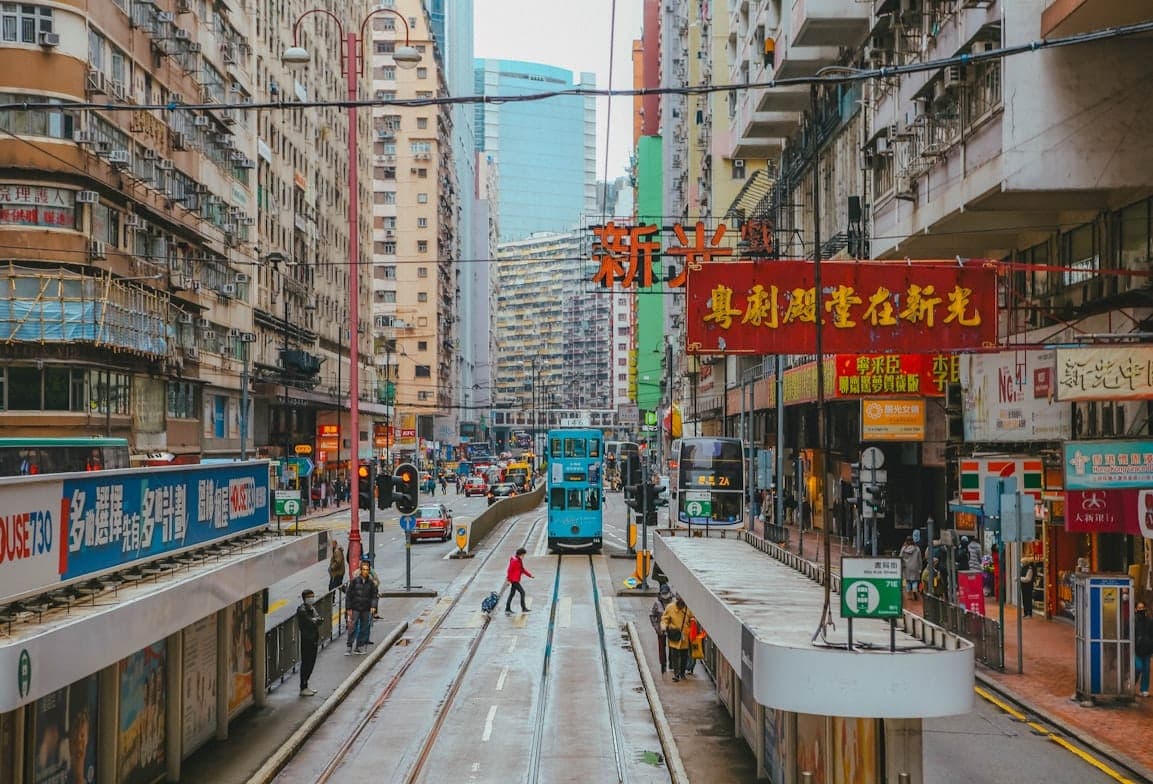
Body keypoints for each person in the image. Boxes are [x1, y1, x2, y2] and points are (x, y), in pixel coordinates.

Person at [344, 561, 379, 654]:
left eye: (367, 570)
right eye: (364, 570)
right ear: (360, 570)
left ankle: (359, 646)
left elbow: (374, 596)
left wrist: (373, 606)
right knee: (352, 627)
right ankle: (349, 646)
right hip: (355, 607)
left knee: (364, 627)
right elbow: (349, 596)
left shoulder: (371, 583)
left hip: (366, 608)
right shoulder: (354, 582)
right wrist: (348, 608)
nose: (365, 571)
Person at [295, 589, 323, 695]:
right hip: (307, 639)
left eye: (313, 596)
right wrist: (316, 621)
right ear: (305, 598)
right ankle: (303, 687)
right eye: (310, 597)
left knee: (311, 663)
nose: (312, 598)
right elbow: (312, 622)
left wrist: (317, 620)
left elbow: (318, 620)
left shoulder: (311, 608)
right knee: (307, 663)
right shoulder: (302, 610)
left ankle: (306, 686)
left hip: (313, 638)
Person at [661, 594, 693, 682]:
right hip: (674, 635)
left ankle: (682, 673)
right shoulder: (670, 607)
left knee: (684, 656)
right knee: (674, 654)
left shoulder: (689, 609)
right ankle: (676, 674)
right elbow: (665, 619)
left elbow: (692, 620)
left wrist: (691, 630)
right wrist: (664, 627)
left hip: (685, 637)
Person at [648, 583, 674, 674]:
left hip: (672, 629)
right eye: (663, 593)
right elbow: (652, 615)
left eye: (666, 593)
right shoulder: (657, 603)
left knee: (673, 646)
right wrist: (656, 627)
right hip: (661, 630)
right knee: (662, 648)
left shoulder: (673, 603)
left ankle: (672, 664)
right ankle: (663, 665)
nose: (665, 595)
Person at [505, 547, 534, 614]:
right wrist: (508, 579)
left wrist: (530, 575)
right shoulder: (514, 561)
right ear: (519, 554)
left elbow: (522, 569)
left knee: (512, 594)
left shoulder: (519, 560)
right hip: (514, 580)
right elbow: (509, 570)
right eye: (523, 555)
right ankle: (523, 608)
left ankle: (507, 608)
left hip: (516, 580)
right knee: (522, 592)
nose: (523, 556)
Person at [1134, 601, 1152, 697]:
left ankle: (1144, 689)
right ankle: (1131, 683)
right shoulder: (1132, 621)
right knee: (1138, 667)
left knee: (1146, 670)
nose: (1141, 609)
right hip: (1136, 650)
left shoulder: (1150, 620)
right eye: (1139, 608)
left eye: (1142, 607)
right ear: (1135, 609)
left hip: (1147, 649)